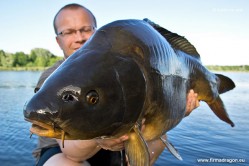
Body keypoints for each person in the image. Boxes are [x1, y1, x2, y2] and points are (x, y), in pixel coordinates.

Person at [32, 3, 200, 166]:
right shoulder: (50, 77)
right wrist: (99, 140)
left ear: (96, 32)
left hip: (116, 145)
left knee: (159, 140)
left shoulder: (119, 67)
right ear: (58, 40)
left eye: (86, 29)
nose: (79, 38)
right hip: (64, 153)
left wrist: (175, 110)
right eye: (68, 32)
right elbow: (73, 152)